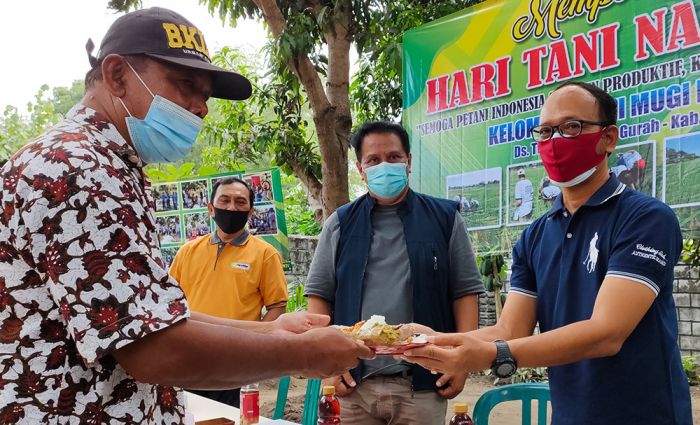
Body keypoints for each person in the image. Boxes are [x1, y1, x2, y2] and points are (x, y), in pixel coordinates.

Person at [0, 7, 372, 424]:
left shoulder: (106, 165)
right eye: (185, 85)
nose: (201, 108)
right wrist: (303, 355)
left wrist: (272, 330)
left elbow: (143, 313)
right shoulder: (79, 168)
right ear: (118, 75)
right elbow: (153, 347)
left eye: (206, 95)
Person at [402, 81, 692, 424]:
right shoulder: (535, 236)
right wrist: (439, 340)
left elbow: (607, 332)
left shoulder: (645, 218)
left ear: (608, 138)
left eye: (571, 127)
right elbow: (509, 329)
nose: (555, 142)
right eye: (545, 131)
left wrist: (494, 355)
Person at [305, 121, 484, 424]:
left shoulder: (445, 219)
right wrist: (331, 363)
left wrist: (459, 362)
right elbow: (319, 295)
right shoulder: (340, 223)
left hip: (423, 385)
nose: (384, 166)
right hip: (354, 386)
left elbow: (464, 293)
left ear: (409, 162)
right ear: (361, 169)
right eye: (373, 160)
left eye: (393, 157)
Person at [170, 177, 288, 407]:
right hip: (187, 358)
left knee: (230, 418)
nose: (232, 207)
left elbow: (277, 306)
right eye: (224, 200)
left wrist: (254, 343)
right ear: (211, 208)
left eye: (240, 202)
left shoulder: (265, 254)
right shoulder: (187, 252)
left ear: (250, 211)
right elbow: (170, 301)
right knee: (187, 415)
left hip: (235, 363)